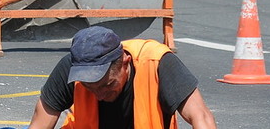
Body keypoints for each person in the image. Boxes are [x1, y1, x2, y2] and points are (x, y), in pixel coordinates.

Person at [28, 26, 216, 129]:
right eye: (89, 87)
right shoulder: (70, 67)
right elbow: (39, 125)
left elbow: (201, 117)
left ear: (125, 62)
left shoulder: (156, 62)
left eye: (107, 85)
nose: (99, 95)